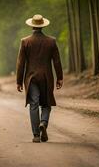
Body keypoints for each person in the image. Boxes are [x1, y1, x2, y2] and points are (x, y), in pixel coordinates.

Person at [16, 14, 63, 143]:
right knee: (46, 104)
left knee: (34, 105)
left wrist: (19, 81)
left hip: (31, 78)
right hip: (46, 77)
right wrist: (60, 77)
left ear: (32, 25)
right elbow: (57, 61)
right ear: (42, 26)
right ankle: (43, 122)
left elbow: (21, 63)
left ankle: (36, 135)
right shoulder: (51, 41)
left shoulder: (25, 42)